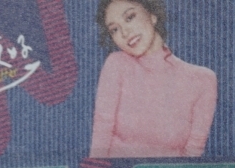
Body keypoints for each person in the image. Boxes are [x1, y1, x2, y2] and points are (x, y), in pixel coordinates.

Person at [89, 0, 216, 158]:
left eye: (129, 18)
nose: (124, 33)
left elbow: (193, 154)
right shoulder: (116, 64)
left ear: (152, 15)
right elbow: (101, 132)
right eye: (114, 29)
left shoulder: (202, 80)